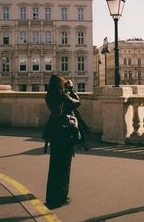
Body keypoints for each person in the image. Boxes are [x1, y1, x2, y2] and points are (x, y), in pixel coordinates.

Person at [44, 74, 81, 209]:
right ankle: (61, 198)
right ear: (61, 85)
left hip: (54, 134)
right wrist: (71, 89)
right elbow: (77, 102)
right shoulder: (63, 96)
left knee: (54, 167)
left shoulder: (49, 96)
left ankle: (51, 197)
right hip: (64, 135)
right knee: (64, 168)